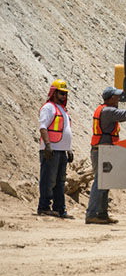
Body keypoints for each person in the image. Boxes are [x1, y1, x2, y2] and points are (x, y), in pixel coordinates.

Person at [85, 87, 126, 225]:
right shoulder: (108, 111)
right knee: (100, 181)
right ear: (111, 98)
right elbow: (125, 114)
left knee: (105, 182)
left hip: (103, 150)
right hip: (101, 150)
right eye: (116, 97)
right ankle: (91, 214)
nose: (118, 99)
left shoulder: (105, 109)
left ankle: (101, 214)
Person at [37, 79, 74, 218]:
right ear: (54, 93)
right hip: (51, 150)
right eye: (61, 93)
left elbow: (65, 129)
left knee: (60, 181)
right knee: (48, 179)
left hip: (61, 150)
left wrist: (69, 149)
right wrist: (47, 145)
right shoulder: (48, 107)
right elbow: (43, 127)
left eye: (65, 93)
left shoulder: (62, 109)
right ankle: (44, 207)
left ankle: (59, 208)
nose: (63, 96)